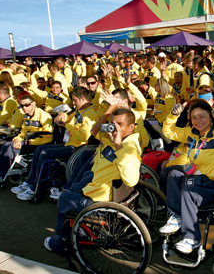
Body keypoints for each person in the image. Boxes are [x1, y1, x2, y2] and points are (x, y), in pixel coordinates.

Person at [44, 108, 142, 254]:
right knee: (79, 183)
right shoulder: (113, 141)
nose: (115, 128)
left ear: (131, 127)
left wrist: (119, 145)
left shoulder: (129, 148)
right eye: (112, 124)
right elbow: (94, 137)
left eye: (120, 124)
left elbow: (132, 179)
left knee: (64, 199)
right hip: (98, 186)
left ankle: (61, 240)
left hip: (101, 200)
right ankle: (80, 230)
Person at [159, 100, 214, 254]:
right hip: (196, 179)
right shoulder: (190, 133)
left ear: (211, 118)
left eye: (202, 116)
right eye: (194, 118)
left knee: (187, 193)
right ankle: (176, 216)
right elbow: (168, 132)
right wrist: (172, 116)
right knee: (173, 174)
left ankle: (191, 239)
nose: (197, 121)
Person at [11, 87, 97, 200]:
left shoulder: (90, 114)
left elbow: (84, 136)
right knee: (40, 149)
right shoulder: (79, 111)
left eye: (75, 100)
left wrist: (67, 124)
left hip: (77, 147)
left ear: (82, 98)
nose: (73, 103)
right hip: (68, 143)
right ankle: (30, 181)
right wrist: (63, 115)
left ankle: (36, 189)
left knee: (45, 153)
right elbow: (69, 118)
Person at [0, 95, 53, 183]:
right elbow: (22, 133)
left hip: (38, 143)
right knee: (7, 144)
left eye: (27, 105)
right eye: (22, 106)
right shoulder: (26, 116)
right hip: (27, 140)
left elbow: (48, 136)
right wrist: (17, 139)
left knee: (9, 146)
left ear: (33, 104)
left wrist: (29, 142)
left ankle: (0, 174)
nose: (24, 107)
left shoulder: (44, 115)